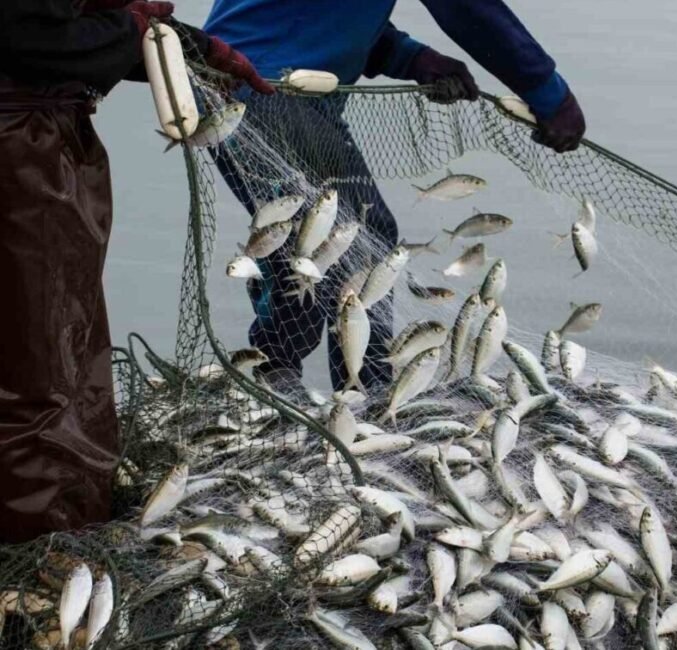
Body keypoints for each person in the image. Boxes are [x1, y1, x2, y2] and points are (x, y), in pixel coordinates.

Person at [204, 0, 587, 398]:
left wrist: (411, 58)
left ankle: (286, 375)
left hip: (247, 84)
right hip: (266, 91)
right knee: (354, 235)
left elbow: (319, 14)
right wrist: (548, 93)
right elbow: (470, 10)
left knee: (315, 234)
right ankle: (360, 392)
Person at [0, 0, 271, 544]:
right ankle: (40, 547)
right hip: (18, 151)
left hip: (41, 136)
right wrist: (128, 32)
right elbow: (21, 35)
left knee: (59, 345)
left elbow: (58, 25)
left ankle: (62, 521)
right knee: (38, 363)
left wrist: (189, 46)